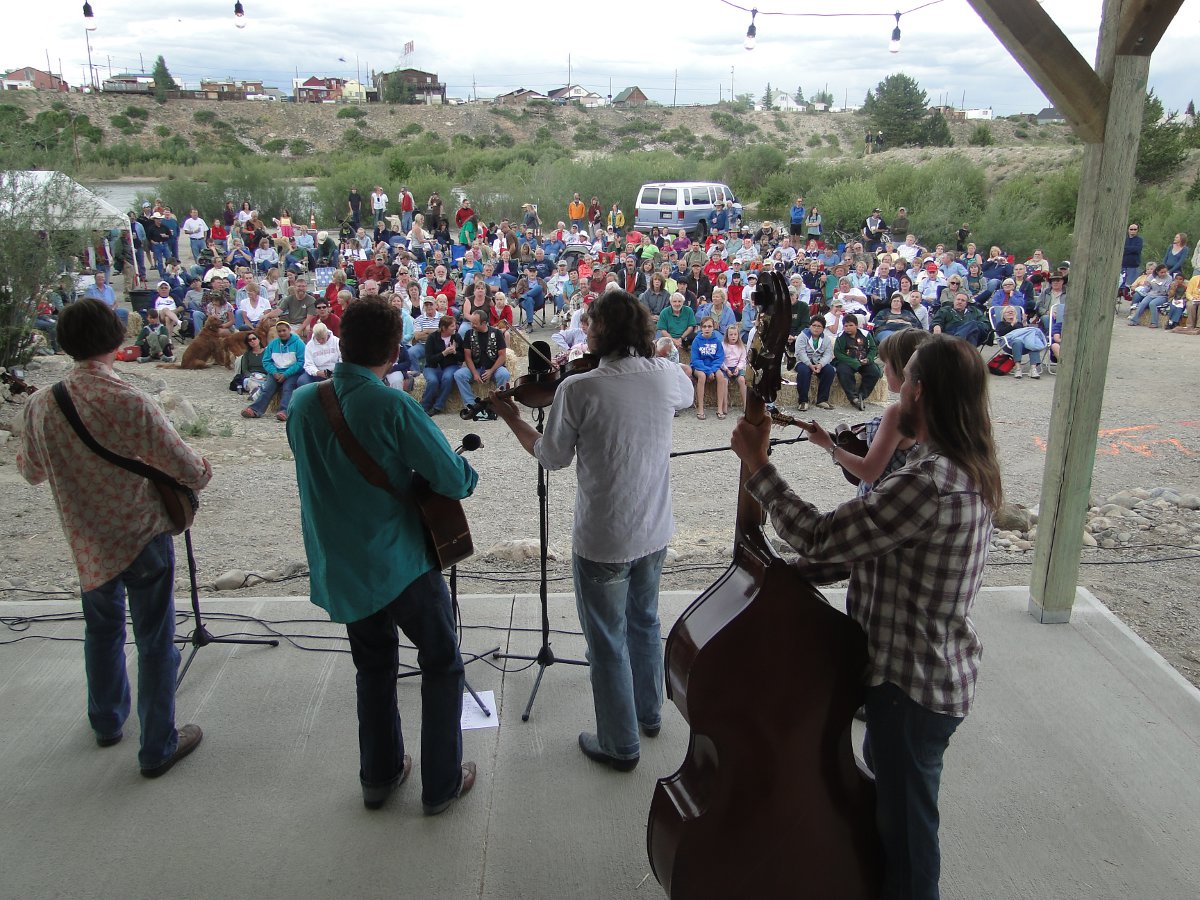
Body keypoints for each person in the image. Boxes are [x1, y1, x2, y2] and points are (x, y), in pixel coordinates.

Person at [730, 334, 1001, 900]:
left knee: (907, 838)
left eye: (905, 381)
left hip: (912, 685)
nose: (896, 389)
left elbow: (825, 536)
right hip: (919, 678)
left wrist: (758, 466)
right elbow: (874, 550)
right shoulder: (957, 467)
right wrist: (790, 577)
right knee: (891, 814)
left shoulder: (926, 483)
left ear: (919, 391)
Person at [285, 297, 478, 813]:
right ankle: (440, 785)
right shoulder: (391, 404)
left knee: (372, 668)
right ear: (395, 352)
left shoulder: (303, 404)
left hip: (344, 565)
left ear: (340, 343)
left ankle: (380, 775)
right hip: (400, 563)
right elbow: (452, 478)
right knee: (440, 663)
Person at [491, 289, 693, 771]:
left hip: (605, 536)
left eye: (590, 326)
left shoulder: (580, 389)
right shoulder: (667, 376)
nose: (585, 333)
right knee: (645, 622)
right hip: (655, 527)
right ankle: (649, 714)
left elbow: (552, 457)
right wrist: (660, 353)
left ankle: (620, 745)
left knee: (606, 639)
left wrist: (514, 420)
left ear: (601, 331)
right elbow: (682, 394)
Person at [16, 299, 211, 777]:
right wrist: (203, 466)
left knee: (102, 630)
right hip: (142, 535)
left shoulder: (41, 404)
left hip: (86, 541)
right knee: (154, 638)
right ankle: (157, 744)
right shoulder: (128, 399)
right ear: (117, 339)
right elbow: (190, 470)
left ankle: (106, 720)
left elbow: (31, 473)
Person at [242, 320, 305, 422]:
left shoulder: (299, 343)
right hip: (276, 372)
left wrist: (286, 374)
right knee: (267, 388)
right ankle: (255, 409)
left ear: (289, 330)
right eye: (279, 331)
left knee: (288, 388)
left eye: (284, 330)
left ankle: (284, 411)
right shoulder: (273, 344)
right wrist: (274, 372)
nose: (282, 333)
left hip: (292, 372)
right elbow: (266, 361)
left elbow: (301, 362)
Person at [454, 310, 510, 407]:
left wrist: (491, 371)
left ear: (484, 323)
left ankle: (500, 403)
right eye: (471, 322)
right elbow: (467, 356)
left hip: (494, 368)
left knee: (504, 374)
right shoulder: (469, 334)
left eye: (475, 323)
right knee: (459, 375)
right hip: (476, 368)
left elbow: (502, 356)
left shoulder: (497, 333)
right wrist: (475, 373)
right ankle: (471, 404)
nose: (472, 325)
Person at [833, 316, 881, 411]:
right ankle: (853, 397)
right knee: (843, 372)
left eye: (851, 325)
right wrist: (854, 362)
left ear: (856, 325)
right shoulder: (840, 337)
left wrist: (868, 359)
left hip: (864, 360)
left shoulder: (866, 334)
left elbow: (873, 348)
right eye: (846, 326)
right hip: (847, 361)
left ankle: (862, 396)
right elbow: (838, 353)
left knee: (874, 372)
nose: (848, 328)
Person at [421, 315, 464, 415]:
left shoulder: (456, 337)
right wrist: (444, 353)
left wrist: (454, 352)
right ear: (444, 328)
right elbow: (429, 359)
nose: (455, 328)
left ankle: (438, 406)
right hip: (432, 367)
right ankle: (424, 407)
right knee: (432, 381)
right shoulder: (432, 338)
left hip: (450, 365)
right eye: (452, 326)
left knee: (448, 378)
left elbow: (462, 357)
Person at [793, 316, 836, 412]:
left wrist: (820, 364)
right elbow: (800, 352)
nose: (816, 328)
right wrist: (809, 364)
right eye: (814, 325)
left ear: (823, 329)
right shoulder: (802, 336)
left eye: (819, 326)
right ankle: (803, 401)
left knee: (829, 370)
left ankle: (822, 400)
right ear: (810, 326)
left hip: (818, 362)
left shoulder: (826, 339)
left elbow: (828, 354)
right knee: (804, 371)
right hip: (803, 362)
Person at [690, 316, 725, 420]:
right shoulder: (696, 341)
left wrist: (713, 370)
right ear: (701, 328)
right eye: (704, 326)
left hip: (712, 366)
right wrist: (708, 371)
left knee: (721, 376)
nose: (707, 329)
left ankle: (719, 409)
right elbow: (695, 360)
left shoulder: (717, 341)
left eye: (709, 326)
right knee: (701, 376)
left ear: (713, 327)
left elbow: (719, 358)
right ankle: (700, 409)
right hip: (699, 366)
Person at [720, 324, 748, 413]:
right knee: (724, 381)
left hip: (737, 368)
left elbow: (743, 359)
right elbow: (720, 360)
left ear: (738, 336)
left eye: (735, 334)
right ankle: (725, 404)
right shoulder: (723, 345)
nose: (733, 336)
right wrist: (726, 369)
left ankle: (746, 404)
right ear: (727, 336)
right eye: (731, 335)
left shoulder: (741, 346)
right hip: (726, 368)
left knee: (742, 380)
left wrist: (738, 368)